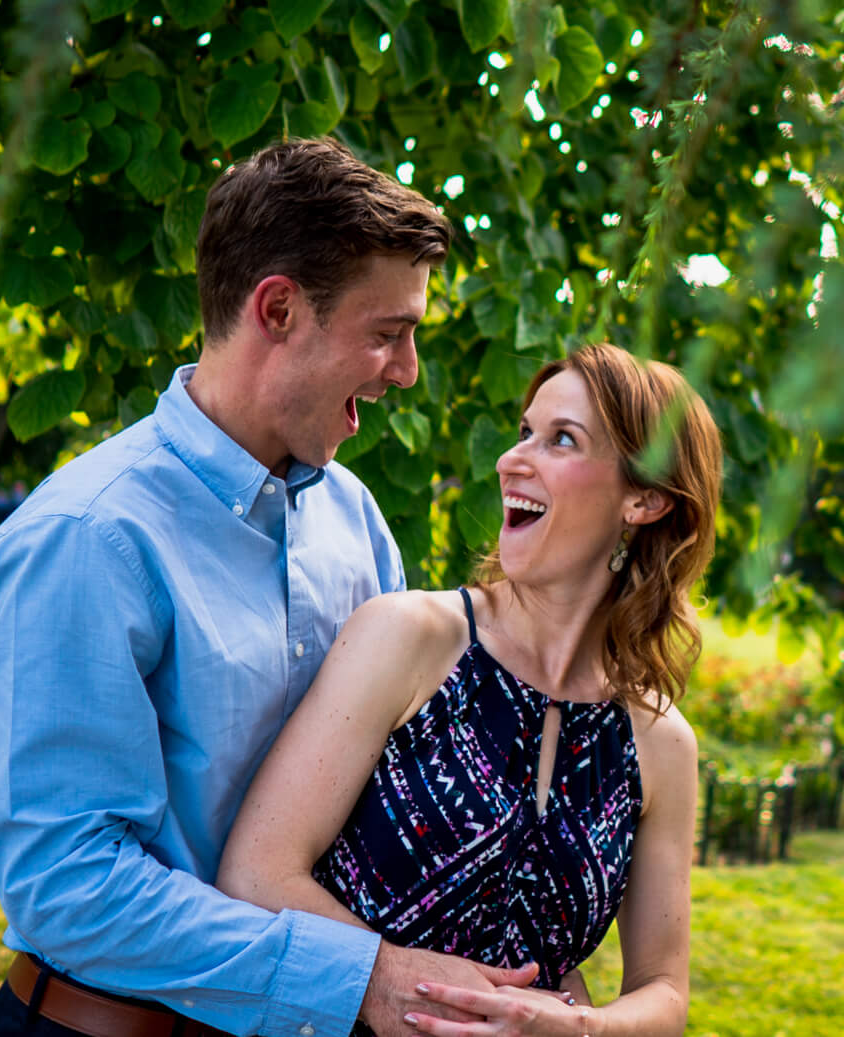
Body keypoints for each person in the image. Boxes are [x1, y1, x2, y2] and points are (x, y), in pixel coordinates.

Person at [0, 138, 524, 1037]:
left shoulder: (356, 520)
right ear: (278, 309)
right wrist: (358, 976)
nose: (407, 371)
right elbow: (68, 885)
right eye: (388, 334)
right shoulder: (89, 537)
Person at [217, 343, 721, 1037]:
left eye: (562, 439)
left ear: (644, 498)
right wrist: (386, 974)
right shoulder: (408, 637)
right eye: (524, 433)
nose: (513, 459)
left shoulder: (660, 743)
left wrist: (578, 1027)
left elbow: (665, 989)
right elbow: (254, 871)